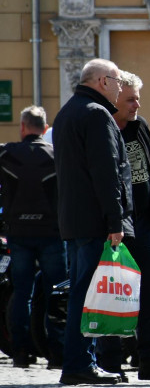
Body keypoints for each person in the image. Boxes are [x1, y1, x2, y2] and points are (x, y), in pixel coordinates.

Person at [96, 72, 150, 382]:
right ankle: (109, 362)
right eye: (131, 99)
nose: (137, 104)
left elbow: (148, 172)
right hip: (113, 224)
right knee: (111, 293)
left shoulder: (140, 126)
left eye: (138, 98)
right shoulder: (103, 128)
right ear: (115, 100)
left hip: (145, 223)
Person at [52, 58, 133, 385]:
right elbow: (106, 173)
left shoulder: (67, 112)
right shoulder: (97, 115)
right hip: (94, 221)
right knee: (87, 296)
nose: (119, 87)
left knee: (80, 293)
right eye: (116, 81)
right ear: (101, 81)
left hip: (73, 220)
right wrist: (116, 221)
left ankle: (77, 362)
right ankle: (78, 365)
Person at [0, 106, 68, 369]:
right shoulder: (56, 155)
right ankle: (57, 353)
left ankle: (21, 352)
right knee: (57, 293)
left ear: (23, 127)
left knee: (22, 293)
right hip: (52, 233)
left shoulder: (6, 154)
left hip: (18, 233)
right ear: (46, 129)